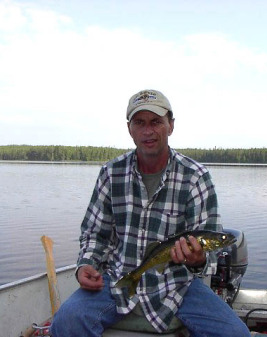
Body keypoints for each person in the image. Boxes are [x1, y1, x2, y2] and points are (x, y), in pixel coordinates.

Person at [50, 89, 250, 337]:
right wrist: (86, 265)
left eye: (156, 122)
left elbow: (209, 253)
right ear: (129, 128)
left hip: (179, 286)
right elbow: (94, 234)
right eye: (140, 123)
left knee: (235, 334)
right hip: (117, 279)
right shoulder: (111, 173)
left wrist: (197, 259)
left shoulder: (196, 177)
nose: (148, 131)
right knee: (65, 322)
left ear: (171, 125)